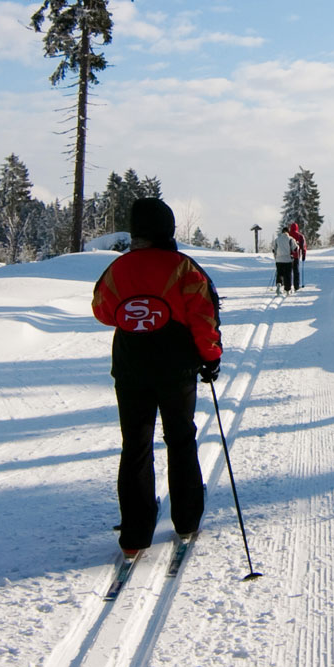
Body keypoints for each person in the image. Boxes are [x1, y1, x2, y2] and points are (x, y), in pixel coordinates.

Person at [90, 198, 222, 558]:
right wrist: (210, 358)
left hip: (130, 367)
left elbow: (102, 310)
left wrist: (136, 312)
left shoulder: (118, 269)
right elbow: (203, 317)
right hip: (176, 368)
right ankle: (187, 520)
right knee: (180, 438)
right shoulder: (184, 268)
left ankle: (134, 535)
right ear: (168, 229)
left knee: (135, 445)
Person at [270, 225, 297, 294]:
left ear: (282, 232)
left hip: (279, 260)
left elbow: (274, 249)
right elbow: (295, 248)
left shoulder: (277, 239)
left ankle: (279, 284)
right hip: (288, 259)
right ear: (288, 232)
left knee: (279, 274)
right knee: (287, 275)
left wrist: (276, 256)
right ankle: (287, 289)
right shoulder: (291, 239)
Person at [286, 221, 306, 291]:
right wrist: (304, 255)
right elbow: (303, 247)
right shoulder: (300, 236)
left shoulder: (287, 235)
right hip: (296, 256)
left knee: (288, 272)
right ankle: (296, 286)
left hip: (288, 256)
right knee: (296, 271)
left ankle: (288, 286)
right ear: (297, 228)